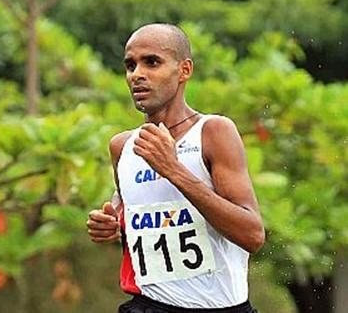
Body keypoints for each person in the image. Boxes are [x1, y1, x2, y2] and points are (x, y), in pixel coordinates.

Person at [86, 23, 265, 313]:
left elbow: (252, 236)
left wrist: (174, 169)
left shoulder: (213, 132)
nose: (137, 75)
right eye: (130, 66)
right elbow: (137, 216)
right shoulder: (122, 147)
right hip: (149, 304)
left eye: (152, 62)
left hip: (221, 307)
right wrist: (109, 225)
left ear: (184, 70)